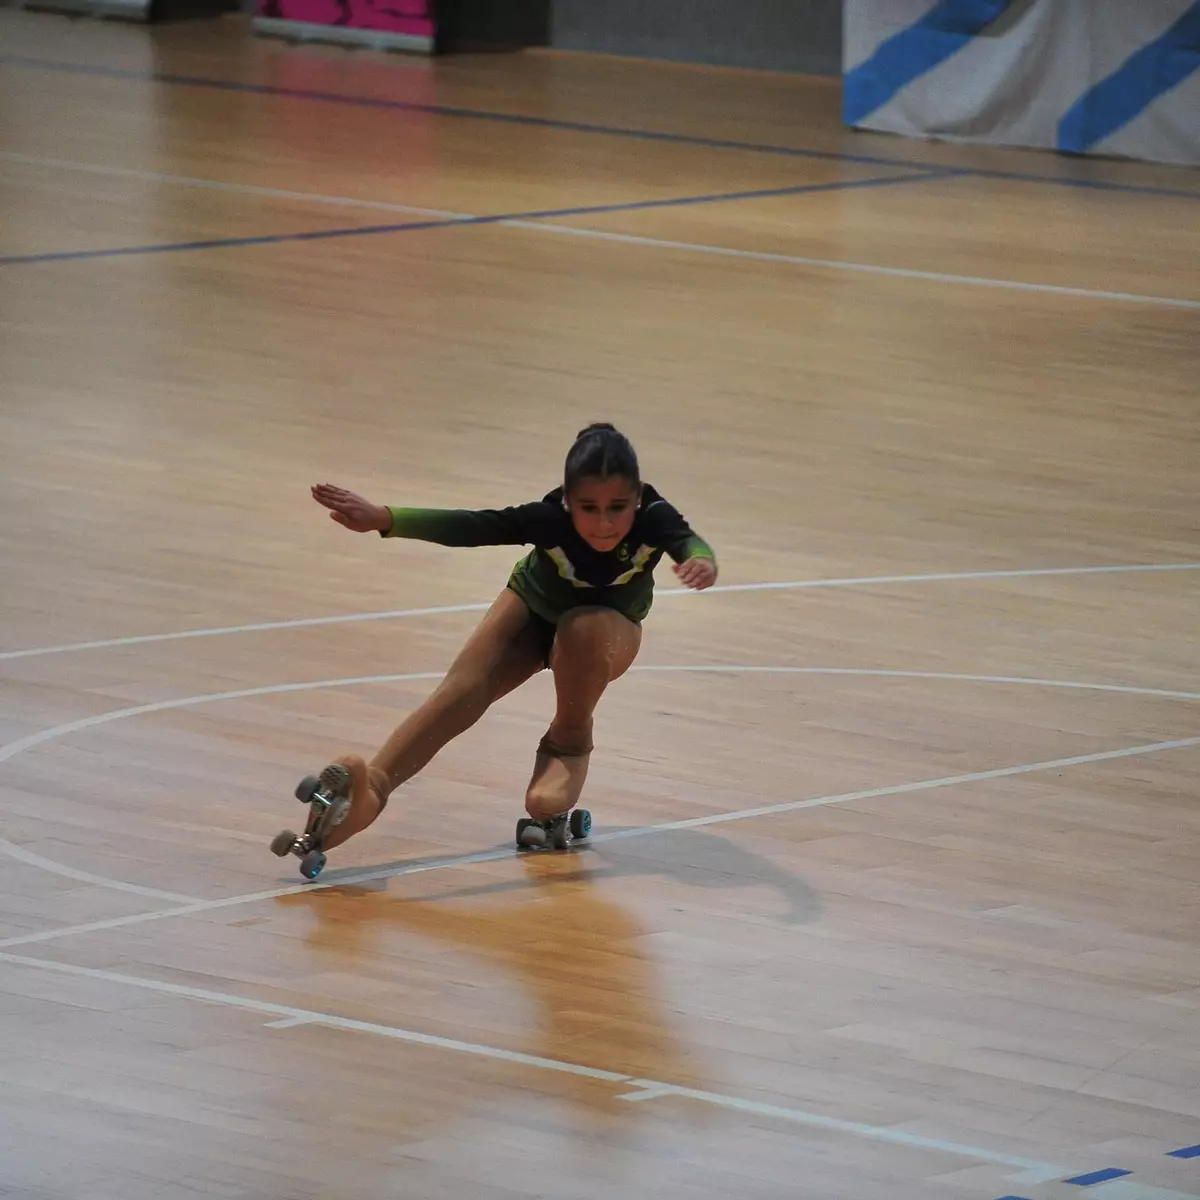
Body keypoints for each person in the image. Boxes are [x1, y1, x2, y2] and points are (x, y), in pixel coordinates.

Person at [282, 422, 717, 866]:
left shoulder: (654, 516)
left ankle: (569, 739)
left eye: (617, 508)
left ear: (637, 499)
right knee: (460, 694)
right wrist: (386, 518)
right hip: (532, 609)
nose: (604, 523)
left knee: (583, 627)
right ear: (568, 500)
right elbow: (473, 526)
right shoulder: (550, 517)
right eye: (588, 508)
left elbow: (689, 542)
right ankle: (370, 792)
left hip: (607, 633)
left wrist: (701, 560)